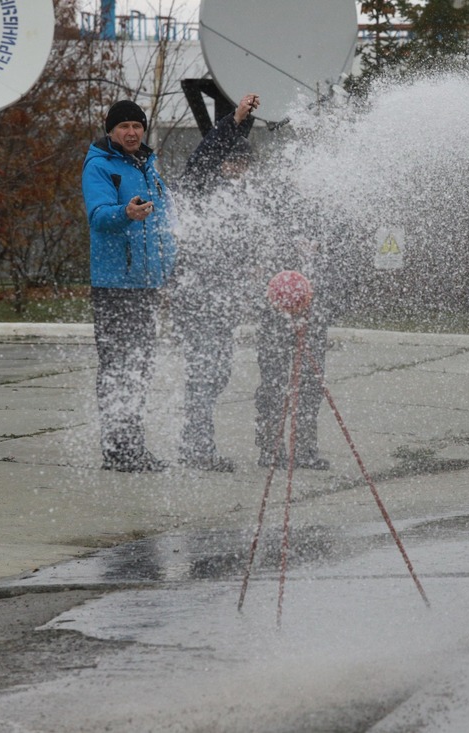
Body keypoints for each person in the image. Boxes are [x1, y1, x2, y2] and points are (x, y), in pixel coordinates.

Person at [81, 100, 177, 473]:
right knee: (117, 368)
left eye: (137, 125)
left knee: (138, 367)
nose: (132, 132)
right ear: (111, 131)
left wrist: (168, 266)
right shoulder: (100, 166)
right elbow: (98, 216)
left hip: (145, 284)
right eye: (124, 127)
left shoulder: (147, 165)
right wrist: (126, 212)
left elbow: (166, 222)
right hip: (114, 285)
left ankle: (132, 447)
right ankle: (118, 451)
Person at [171, 93, 260, 472]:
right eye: (233, 163)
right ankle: (197, 448)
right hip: (197, 296)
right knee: (204, 372)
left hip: (222, 299)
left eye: (243, 166)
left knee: (217, 371)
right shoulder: (198, 186)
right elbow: (204, 157)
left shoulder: (237, 201)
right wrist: (235, 121)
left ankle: (196, 443)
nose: (237, 172)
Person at [254, 205, 353, 471]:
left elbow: (339, 277)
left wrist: (327, 308)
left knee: (310, 387)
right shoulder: (275, 228)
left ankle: (304, 449)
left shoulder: (333, 233)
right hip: (275, 320)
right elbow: (262, 278)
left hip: (314, 321)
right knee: (273, 386)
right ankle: (271, 449)